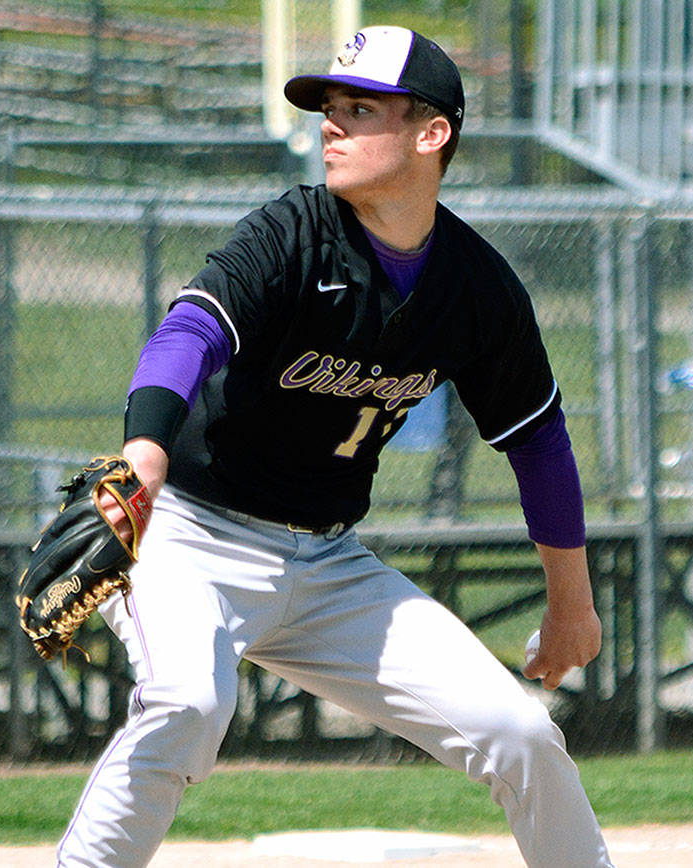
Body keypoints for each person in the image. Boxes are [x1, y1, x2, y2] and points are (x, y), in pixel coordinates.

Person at [57, 25, 613, 867]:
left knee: (519, 732)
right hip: (191, 538)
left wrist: (571, 604)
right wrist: (147, 454)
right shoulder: (293, 232)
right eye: (328, 107)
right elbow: (190, 330)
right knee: (187, 705)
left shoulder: (477, 287)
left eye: (360, 107)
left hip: (330, 567)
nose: (330, 124)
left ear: (433, 135)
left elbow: (536, 442)